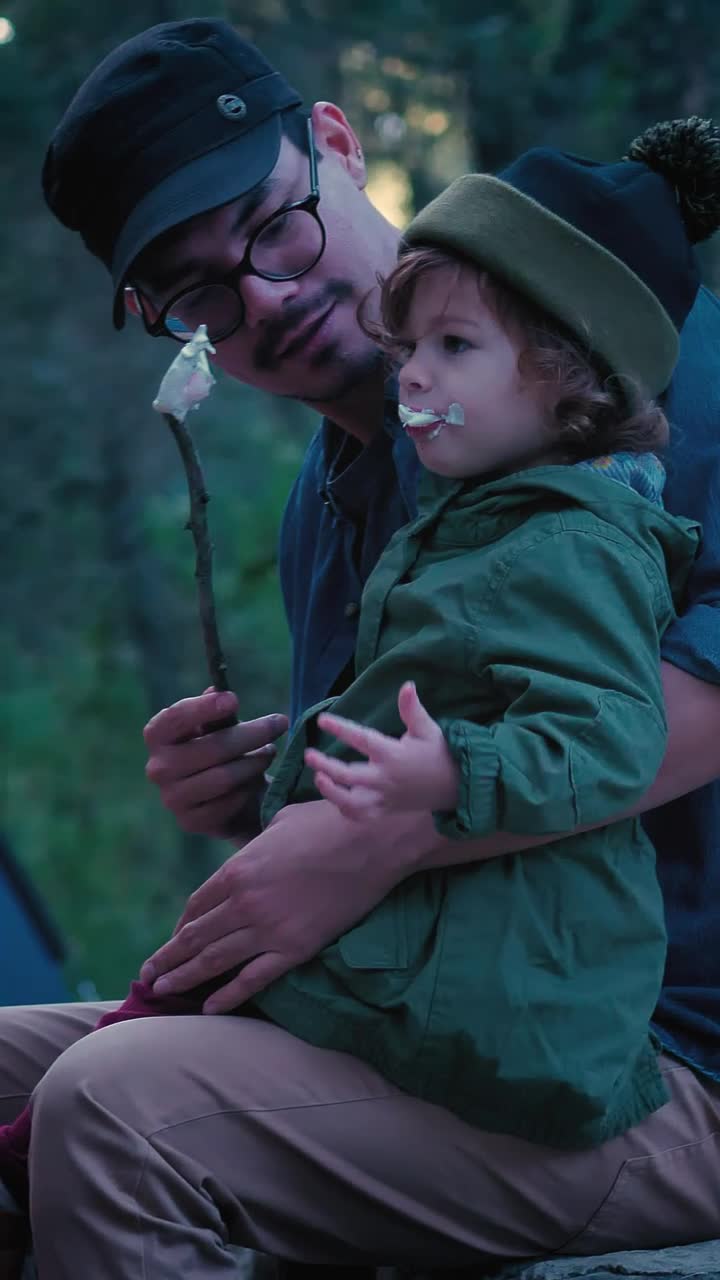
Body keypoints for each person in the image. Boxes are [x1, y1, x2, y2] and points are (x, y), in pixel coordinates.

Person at [3, 16, 720, 1279]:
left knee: (115, 1110)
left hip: (646, 1054)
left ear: (336, 143)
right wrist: (263, 801)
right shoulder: (329, 506)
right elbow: (409, 760)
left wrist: (389, 830)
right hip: (441, 1002)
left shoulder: (630, 366)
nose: (266, 297)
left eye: (272, 224)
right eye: (199, 288)